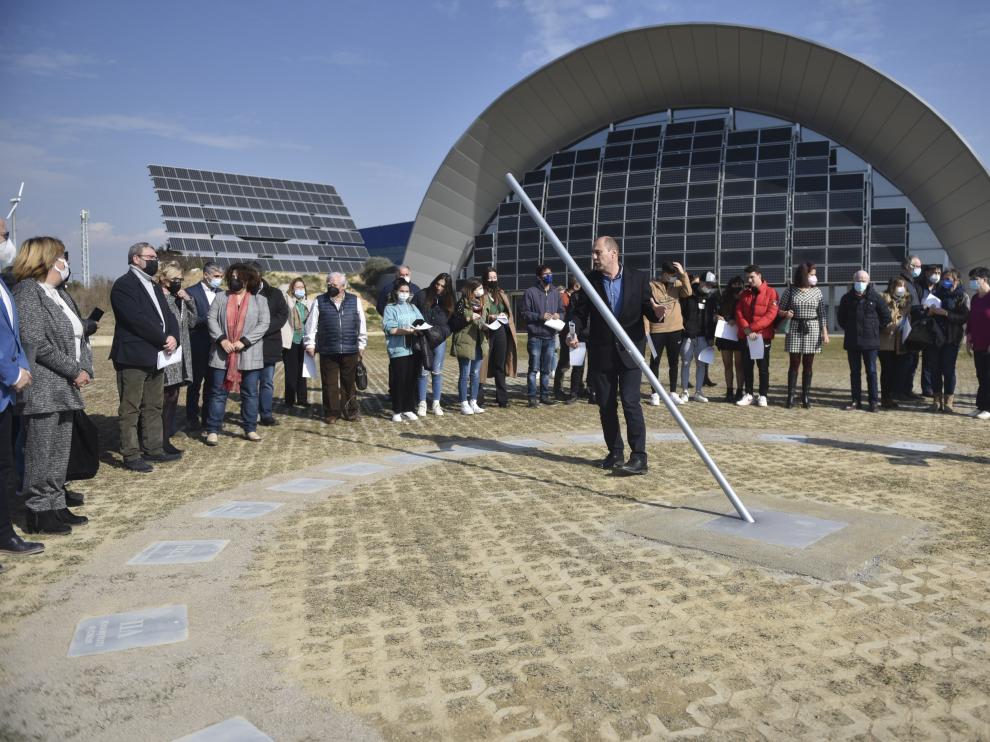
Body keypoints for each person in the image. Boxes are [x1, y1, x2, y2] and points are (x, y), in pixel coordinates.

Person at [12, 237, 93, 534]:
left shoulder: (60, 294)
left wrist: (84, 366)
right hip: (44, 386)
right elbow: (36, 341)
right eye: (60, 257)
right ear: (46, 259)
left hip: (66, 385)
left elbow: (79, 334)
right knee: (40, 452)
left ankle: (56, 503)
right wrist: (73, 369)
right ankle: (37, 510)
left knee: (59, 451)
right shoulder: (28, 292)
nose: (65, 262)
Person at [569, 236, 665, 476]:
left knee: (631, 402)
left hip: (630, 352)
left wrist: (657, 313)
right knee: (606, 405)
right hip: (602, 352)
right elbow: (579, 314)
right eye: (593, 252)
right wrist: (572, 332)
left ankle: (639, 457)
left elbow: (648, 309)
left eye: (597, 252)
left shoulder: (638, 278)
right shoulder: (589, 281)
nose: (594, 257)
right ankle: (615, 452)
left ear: (613, 254)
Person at [109, 242, 181, 472]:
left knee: (154, 405)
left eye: (155, 257)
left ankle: (154, 448)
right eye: (149, 257)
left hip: (157, 355)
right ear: (135, 259)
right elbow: (136, 320)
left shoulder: (153, 285)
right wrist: (162, 338)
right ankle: (131, 454)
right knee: (131, 407)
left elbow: (169, 315)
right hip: (133, 355)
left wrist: (173, 337)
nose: (154, 261)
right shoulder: (124, 285)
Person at [0, 223, 44, 560]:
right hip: (6, 381)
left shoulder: (4, 283)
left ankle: (4, 534)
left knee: (3, 468)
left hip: (5, 394)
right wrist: (12, 372)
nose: (8, 242)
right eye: (2, 236)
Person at [204, 263, 270, 445]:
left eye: (238, 278)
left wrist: (244, 341)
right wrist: (221, 339)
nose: (234, 281)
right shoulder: (220, 297)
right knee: (218, 392)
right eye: (231, 277)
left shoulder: (260, 301)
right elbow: (211, 319)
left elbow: (263, 324)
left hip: (249, 354)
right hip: (222, 354)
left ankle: (250, 428)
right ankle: (213, 430)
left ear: (248, 280)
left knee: (250, 393)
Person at [304, 272, 367, 423]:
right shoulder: (320, 301)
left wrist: (362, 343)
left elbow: (361, 324)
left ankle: (351, 411)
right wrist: (310, 344)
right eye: (329, 284)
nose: (331, 287)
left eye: (335, 285)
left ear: (343, 286)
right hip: (328, 349)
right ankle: (332, 413)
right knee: (329, 383)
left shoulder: (355, 301)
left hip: (350, 349)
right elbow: (311, 326)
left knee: (349, 383)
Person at [156, 262, 197, 455]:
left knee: (173, 396)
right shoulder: (160, 299)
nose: (178, 283)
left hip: (181, 354)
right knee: (164, 397)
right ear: (164, 280)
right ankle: (158, 439)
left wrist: (188, 300)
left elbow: (192, 321)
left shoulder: (178, 299)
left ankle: (166, 435)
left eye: (181, 279)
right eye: (175, 280)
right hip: (166, 354)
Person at [837, 270, 891, 412]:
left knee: (871, 372)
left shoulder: (876, 297)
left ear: (868, 282)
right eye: (858, 280)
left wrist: (875, 329)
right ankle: (856, 401)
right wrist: (850, 328)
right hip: (852, 341)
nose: (860, 283)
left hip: (871, 342)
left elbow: (886, 316)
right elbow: (841, 319)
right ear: (853, 281)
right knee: (854, 372)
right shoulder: (846, 298)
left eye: (863, 280)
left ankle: (873, 402)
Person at [777, 262, 828, 409]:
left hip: (812, 328)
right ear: (803, 275)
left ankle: (805, 395)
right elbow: (779, 310)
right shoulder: (790, 291)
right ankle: (790, 396)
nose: (814, 277)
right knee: (794, 363)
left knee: (808, 364)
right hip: (794, 327)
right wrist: (786, 313)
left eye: (814, 274)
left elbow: (822, 313)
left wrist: (824, 331)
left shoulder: (817, 292)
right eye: (812, 274)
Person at [246, 262, 288, 427]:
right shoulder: (243, 293)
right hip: (248, 345)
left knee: (267, 382)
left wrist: (263, 329)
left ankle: (266, 414)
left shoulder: (275, 293)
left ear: (259, 275)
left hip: (269, 344)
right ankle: (250, 414)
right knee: (249, 383)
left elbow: (282, 314)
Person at [923, 269, 969, 413]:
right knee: (935, 370)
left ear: (956, 280)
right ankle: (936, 400)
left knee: (948, 370)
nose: (945, 282)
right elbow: (925, 313)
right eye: (944, 279)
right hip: (935, 338)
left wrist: (946, 313)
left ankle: (949, 401)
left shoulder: (962, 296)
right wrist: (929, 311)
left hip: (951, 338)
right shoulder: (936, 294)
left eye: (948, 279)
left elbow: (963, 318)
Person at [184, 262, 223, 430]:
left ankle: (209, 418)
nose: (219, 280)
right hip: (197, 344)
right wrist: (209, 319)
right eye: (216, 276)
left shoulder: (222, 294)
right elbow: (187, 320)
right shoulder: (190, 292)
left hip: (217, 347)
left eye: (221, 277)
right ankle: (192, 418)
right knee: (195, 384)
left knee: (213, 384)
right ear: (205, 275)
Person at [647, 261, 692, 405]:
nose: (673, 278)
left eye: (674, 275)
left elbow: (688, 292)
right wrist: (646, 328)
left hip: (675, 329)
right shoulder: (652, 286)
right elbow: (647, 306)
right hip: (657, 330)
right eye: (670, 275)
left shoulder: (678, 284)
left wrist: (683, 274)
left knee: (674, 361)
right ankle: (654, 393)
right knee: (655, 361)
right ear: (664, 274)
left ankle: (673, 392)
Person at [735, 265, 778, 407]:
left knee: (763, 367)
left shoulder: (771, 292)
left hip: (762, 336)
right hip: (746, 336)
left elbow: (770, 315)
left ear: (759, 275)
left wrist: (751, 328)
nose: (749, 280)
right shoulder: (744, 294)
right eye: (747, 277)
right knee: (747, 366)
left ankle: (763, 395)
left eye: (752, 277)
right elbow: (739, 312)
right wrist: (746, 329)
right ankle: (748, 394)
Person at [382, 280, 425, 421]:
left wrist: (419, 328)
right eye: (402, 291)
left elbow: (421, 321)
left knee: (411, 380)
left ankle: (409, 408)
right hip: (398, 349)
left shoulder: (412, 307)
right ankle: (397, 410)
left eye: (407, 291)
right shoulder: (390, 308)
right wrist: (405, 331)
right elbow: (390, 328)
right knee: (399, 380)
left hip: (414, 349)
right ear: (396, 292)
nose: (404, 294)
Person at [521, 264, 564, 407]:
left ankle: (544, 395)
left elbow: (562, 311)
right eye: (546, 274)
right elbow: (524, 313)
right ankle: (532, 396)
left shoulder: (555, 292)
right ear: (539, 277)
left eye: (550, 273)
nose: (549, 276)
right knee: (534, 368)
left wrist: (559, 315)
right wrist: (540, 316)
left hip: (551, 336)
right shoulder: (530, 292)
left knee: (546, 369)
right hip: (535, 336)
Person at [413, 273, 454, 416]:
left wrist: (445, 333)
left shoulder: (449, 300)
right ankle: (422, 403)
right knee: (423, 372)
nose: (439, 287)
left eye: (443, 286)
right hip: (423, 337)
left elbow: (452, 321)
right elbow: (412, 311)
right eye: (438, 284)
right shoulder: (421, 295)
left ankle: (436, 403)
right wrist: (417, 327)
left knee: (437, 371)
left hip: (440, 339)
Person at [480, 267, 518, 408]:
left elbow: (508, 313)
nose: (492, 280)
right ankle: (478, 398)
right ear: (485, 279)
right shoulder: (481, 294)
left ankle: (502, 398)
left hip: (501, 331)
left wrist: (504, 316)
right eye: (490, 277)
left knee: (499, 365)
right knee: (482, 365)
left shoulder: (501, 294)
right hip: (486, 332)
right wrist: (489, 317)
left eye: (494, 277)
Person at [679, 272, 719, 403]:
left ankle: (698, 391)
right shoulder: (689, 295)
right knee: (685, 363)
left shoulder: (711, 297)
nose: (709, 287)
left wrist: (711, 336)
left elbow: (712, 317)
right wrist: (683, 327)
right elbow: (681, 312)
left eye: (711, 285)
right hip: (688, 336)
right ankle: (684, 391)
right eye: (707, 284)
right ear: (701, 282)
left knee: (701, 365)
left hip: (703, 336)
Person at [451, 280, 490, 415]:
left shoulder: (482, 303)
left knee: (475, 374)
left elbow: (482, 321)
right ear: (471, 290)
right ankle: (463, 402)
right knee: (465, 374)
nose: (481, 291)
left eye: (481, 288)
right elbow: (455, 323)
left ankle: (473, 401)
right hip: (465, 341)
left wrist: (486, 326)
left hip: (479, 342)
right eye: (478, 289)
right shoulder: (462, 303)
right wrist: (469, 317)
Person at [879, 276, 912, 409]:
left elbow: (907, 318)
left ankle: (892, 396)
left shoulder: (907, 301)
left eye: (904, 286)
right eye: (899, 285)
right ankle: (885, 398)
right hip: (885, 342)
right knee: (887, 370)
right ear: (892, 286)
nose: (901, 288)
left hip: (900, 342)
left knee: (897, 372)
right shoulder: (883, 299)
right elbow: (882, 318)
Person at [896, 255, 925, 401]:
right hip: (905, 326)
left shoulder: (913, 282)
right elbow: (899, 303)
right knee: (904, 361)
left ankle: (907, 390)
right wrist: (919, 308)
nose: (919, 269)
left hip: (915, 326)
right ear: (908, 266)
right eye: (917, 266)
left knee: (913, 360)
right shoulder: (900, 282)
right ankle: (899, 390)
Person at [554, 277, 585, 403]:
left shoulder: (580, 297)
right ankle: (558, 389)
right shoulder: (564, 297)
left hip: (578, 333)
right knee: (565, 362)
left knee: (579, 363)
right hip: (567, 334)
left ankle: (579, 388)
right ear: (576, 286)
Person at [280, 278, 310, 408]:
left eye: (302, 287)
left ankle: (302, 399)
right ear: (292, 289)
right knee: (291, 371)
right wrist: (289, 286)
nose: (300, 290)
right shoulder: (288, 301)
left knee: (303, 372)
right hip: (291, 341)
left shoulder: (308, 303)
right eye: (297, 287)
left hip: (304, 341)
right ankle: (289, 399)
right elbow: (281, 288)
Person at [716, 276, 745, 403]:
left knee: (739, 364)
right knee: (727, 364)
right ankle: (729, 390)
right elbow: (716, 312)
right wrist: (718, 317)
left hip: (738, 334)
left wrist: (736, 320)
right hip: (725, 333)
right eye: (734, 284)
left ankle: (740, 390)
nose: (736, 286)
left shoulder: (744, 297)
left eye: (739, 284)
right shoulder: (723, 297)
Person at [966, 267, 990, 420]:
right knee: (981, 375)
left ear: (984, 279)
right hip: (978, 343)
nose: (972, 282)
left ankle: (988, 408)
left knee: (989, 376)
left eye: (975, 279)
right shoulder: (975, 298)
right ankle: (980, 406)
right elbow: (971, 320)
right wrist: (969, 338)